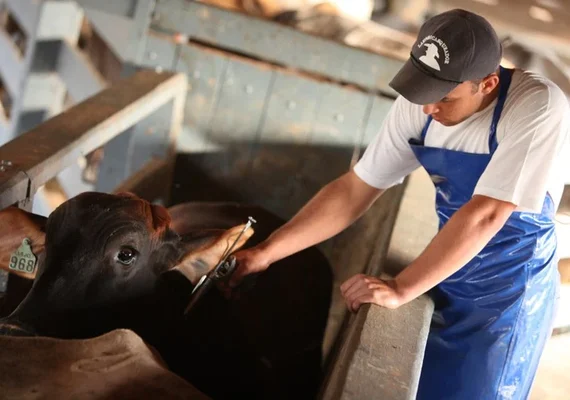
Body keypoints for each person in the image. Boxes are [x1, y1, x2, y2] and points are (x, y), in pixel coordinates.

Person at [229, 8, 569, 400]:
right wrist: (268, 252)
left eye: (444, 97)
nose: (428, 108)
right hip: (444, 268)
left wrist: (400, 288)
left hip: (507, 296)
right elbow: (356, 188)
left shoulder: (537, 107)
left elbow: (487, 214)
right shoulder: (423, 103)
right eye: (423, 91)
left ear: (487, 84)